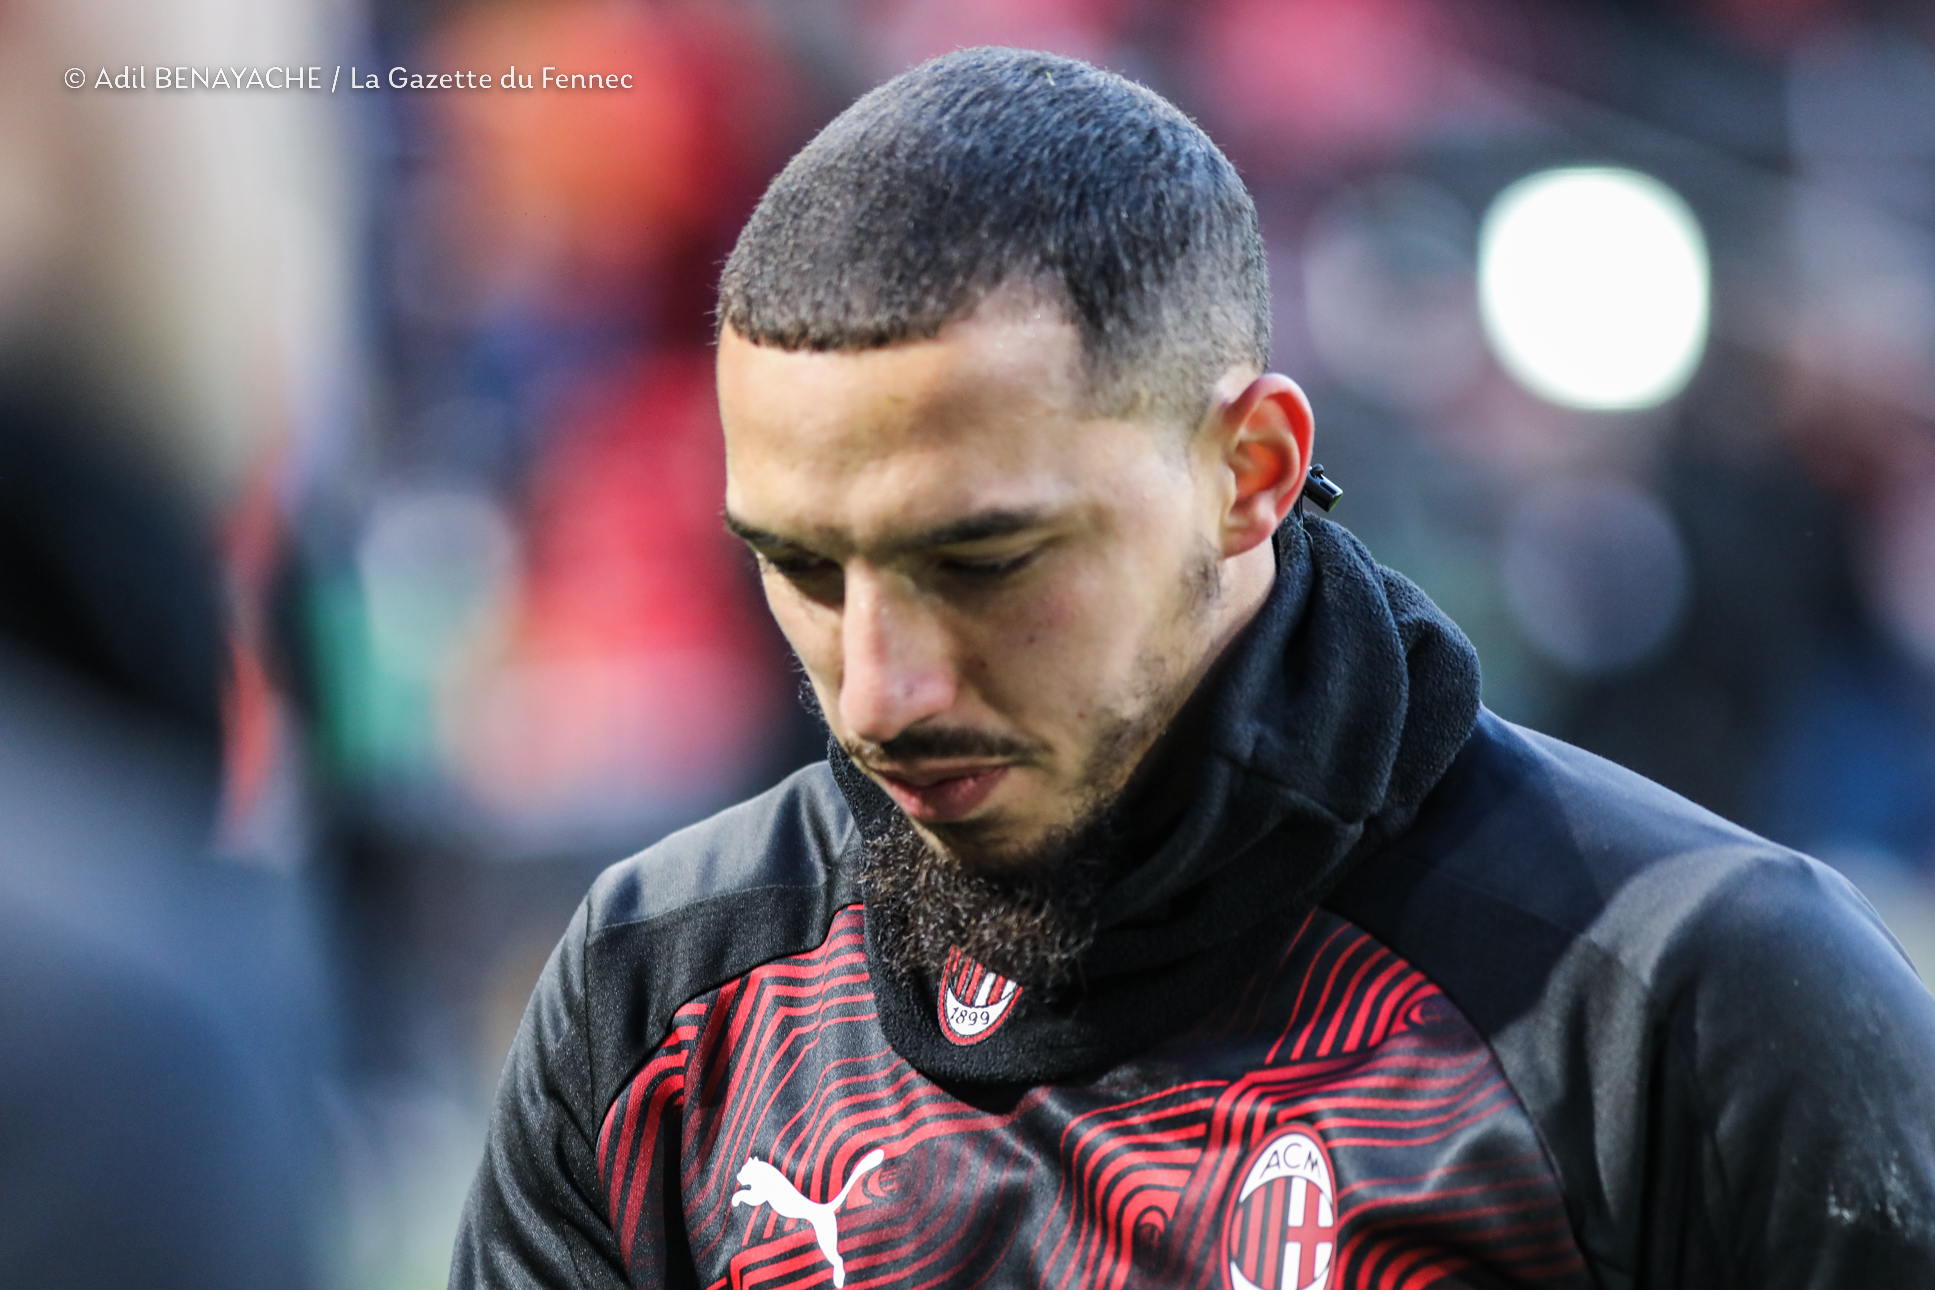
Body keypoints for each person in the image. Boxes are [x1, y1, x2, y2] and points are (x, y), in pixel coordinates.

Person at [451, 47, 1935, 1289]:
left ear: (1252, 472)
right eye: (803, 567)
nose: (881, 692)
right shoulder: (661, 1001)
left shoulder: (1693, 1006)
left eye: (984, 561)